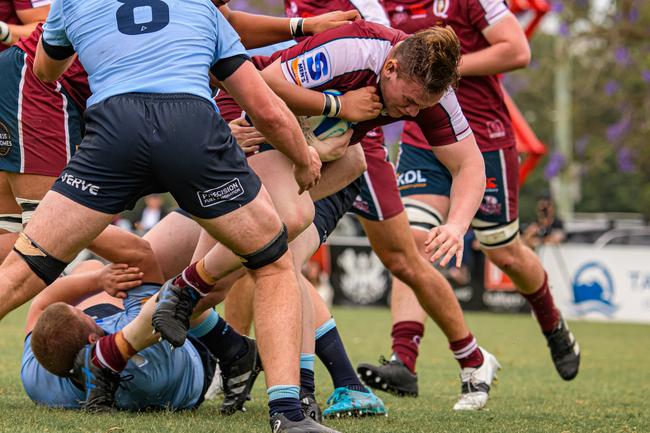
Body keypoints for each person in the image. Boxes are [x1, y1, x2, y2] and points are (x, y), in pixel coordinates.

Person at [0, 1, 330, 432]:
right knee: (271, 264)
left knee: (23, 270)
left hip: (112, 135)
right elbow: (264, 107)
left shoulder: (72, 2)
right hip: (189, 128)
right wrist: (302, 156)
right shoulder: (203, 9)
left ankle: (218, 340)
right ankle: (288, 415)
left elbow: (45, 72)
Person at [208, 18, 494, 414]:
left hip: (335, 163)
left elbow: (471, 166)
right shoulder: (356, 48)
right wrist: (337, 105)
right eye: (409, 101)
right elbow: (265, 82)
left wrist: (458, 224)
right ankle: (215, 349)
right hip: (255, 130)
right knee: (232, 268)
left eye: (420, 106)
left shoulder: (429, 89)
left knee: (276, 258)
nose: (411, 114)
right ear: (390, 67)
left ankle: (287, 380)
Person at [357, 0, 580, 403]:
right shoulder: (384, 5)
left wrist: (444, 71)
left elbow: (517, 49)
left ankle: (552, 323)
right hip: (423, 135)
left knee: (503, 251)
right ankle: (403, 360)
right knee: (412, 241)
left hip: (479, 137)